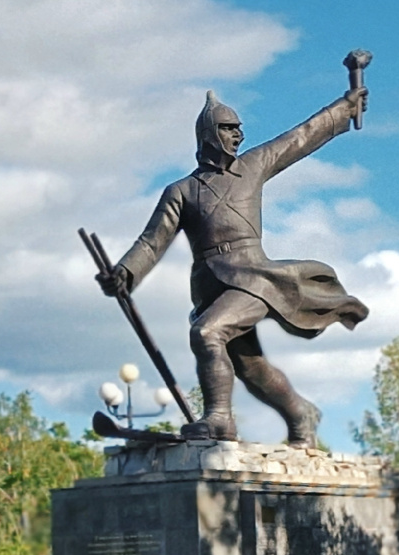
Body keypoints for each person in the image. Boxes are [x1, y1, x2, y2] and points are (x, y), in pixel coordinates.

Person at [98, 84, 369, 447]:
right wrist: (124, 273)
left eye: (239, 128)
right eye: (228, 128)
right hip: (211, 285)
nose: (238, 134)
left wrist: (345, 107)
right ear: (208, 133)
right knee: (250, 368)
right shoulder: (181, 191)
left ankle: (219, 421)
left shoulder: (254, 165)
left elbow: (300, 137)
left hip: (253, 276)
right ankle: (300, 413)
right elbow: (152, 241)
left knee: (208, 333)